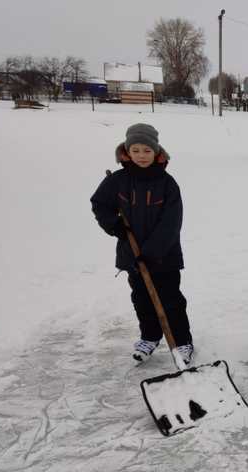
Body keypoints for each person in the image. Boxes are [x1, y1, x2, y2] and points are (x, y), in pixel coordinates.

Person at [90, 123, 194, 364]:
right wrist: (114, 225)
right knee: (142, 298)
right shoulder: (118, 180)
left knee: (171, 300)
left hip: (164, 255)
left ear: (156, 151)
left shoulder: (167, 184)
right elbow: (100, 204)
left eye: (146, 150)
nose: (141, 155)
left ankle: (182, 342)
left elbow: (171, 222)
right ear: (127, 151)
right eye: (135, 150)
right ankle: (149, 336)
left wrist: (151, 252)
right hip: (131, 254)